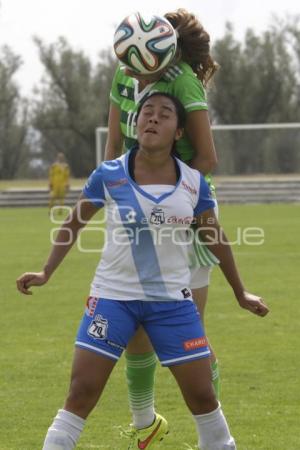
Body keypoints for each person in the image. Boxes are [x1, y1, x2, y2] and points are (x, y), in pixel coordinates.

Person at [17, 93, 269, 450]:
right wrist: (46, 272)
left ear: (179, 130)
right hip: (111, 299)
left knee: (203, 396)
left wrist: (240, 291)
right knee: (80, 393)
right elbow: (73, 223)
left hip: (172, 304)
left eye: (164, 114)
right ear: (136, 125)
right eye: (146, 112)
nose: (152, 118)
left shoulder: (193, 183)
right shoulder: (109, 174)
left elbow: (216, 238)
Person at [106, 9, 221, 439]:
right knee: (136, 326)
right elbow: (114, 147)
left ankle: (212, 435)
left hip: (189, 216)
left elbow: (207, 159)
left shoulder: (183, 81)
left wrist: (167, 197)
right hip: (138, 217)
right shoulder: (121, 77)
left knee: (190, 334)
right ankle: (144, 426)